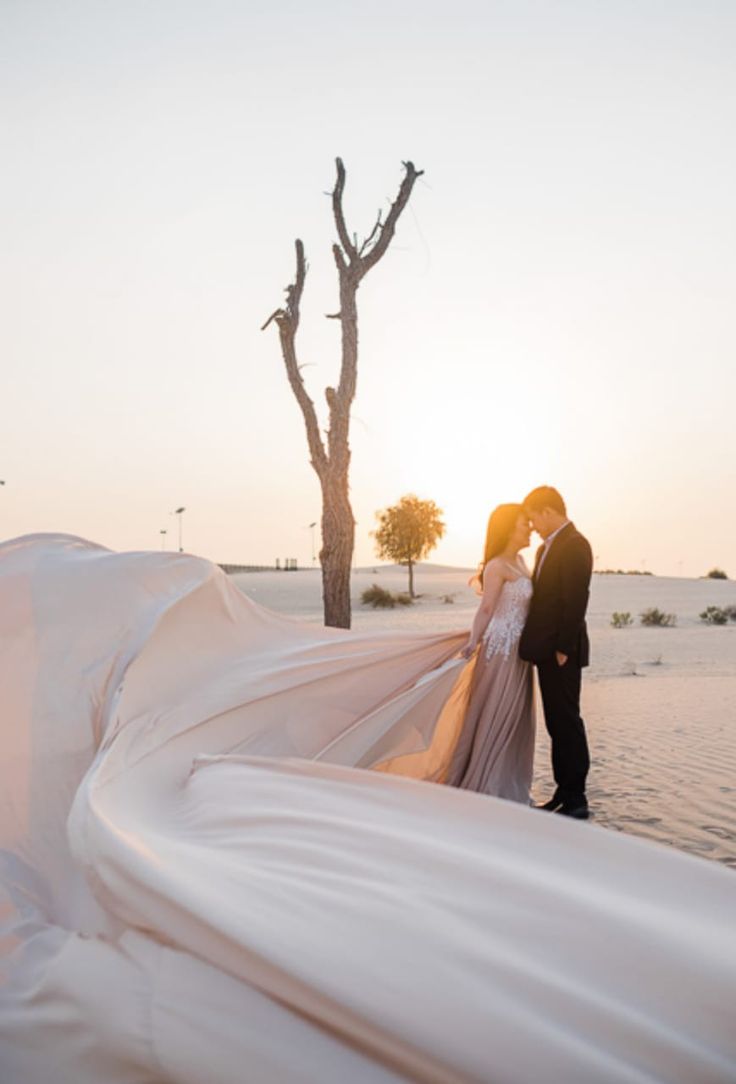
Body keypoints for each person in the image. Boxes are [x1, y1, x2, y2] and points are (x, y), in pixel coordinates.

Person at [447, 504, 536, 803]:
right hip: (500, 649)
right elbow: (486, 608)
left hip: (520, 653)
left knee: (514, 717)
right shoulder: (497, 566)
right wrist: (473, 641)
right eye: (526, 523)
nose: (531, 528)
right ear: (510, 528)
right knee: (495, 712)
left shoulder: (522, 561)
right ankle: (486, 781)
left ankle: (506, 776)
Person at [518, 486, 593, 819]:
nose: (532, 526)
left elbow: (575, 599)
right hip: (547, 650)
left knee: (567, 722)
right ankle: (564, 793)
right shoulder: (544, 550)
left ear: (548, 511)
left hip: (563, 651)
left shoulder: (576, 545)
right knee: (556, 723)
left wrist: (563, 647)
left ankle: (576, 798)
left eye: (534, 518)